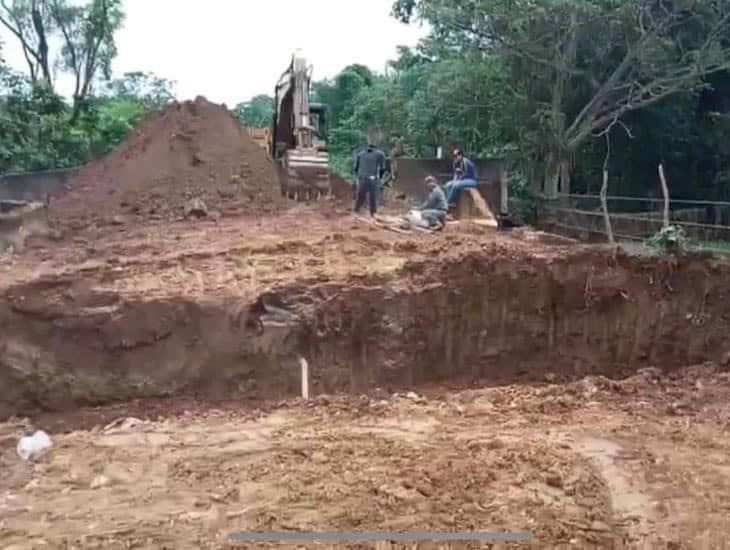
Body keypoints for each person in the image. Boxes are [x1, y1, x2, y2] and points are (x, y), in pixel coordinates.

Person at [353, 142, 386, 217]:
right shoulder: (380, 154)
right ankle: (373, 213)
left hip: (361, 177)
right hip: (373, 178)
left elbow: (355, 168)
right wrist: (380, 177)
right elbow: (382, 168)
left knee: (360, 195)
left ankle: (356, 211)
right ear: (376, 147)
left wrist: (358, 176)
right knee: (373, 197)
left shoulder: (360, 154)